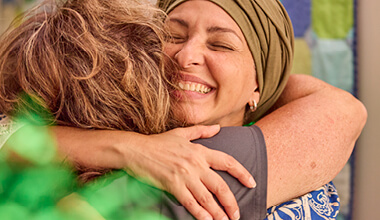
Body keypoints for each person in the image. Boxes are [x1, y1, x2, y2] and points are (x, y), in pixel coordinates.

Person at [0, 0, 367, 219]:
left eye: (221, 45)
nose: (187, 55)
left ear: (261, 84)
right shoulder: (130, 153)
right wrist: (129, 146)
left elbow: (342, 110)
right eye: (172, 37)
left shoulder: (219, 162)